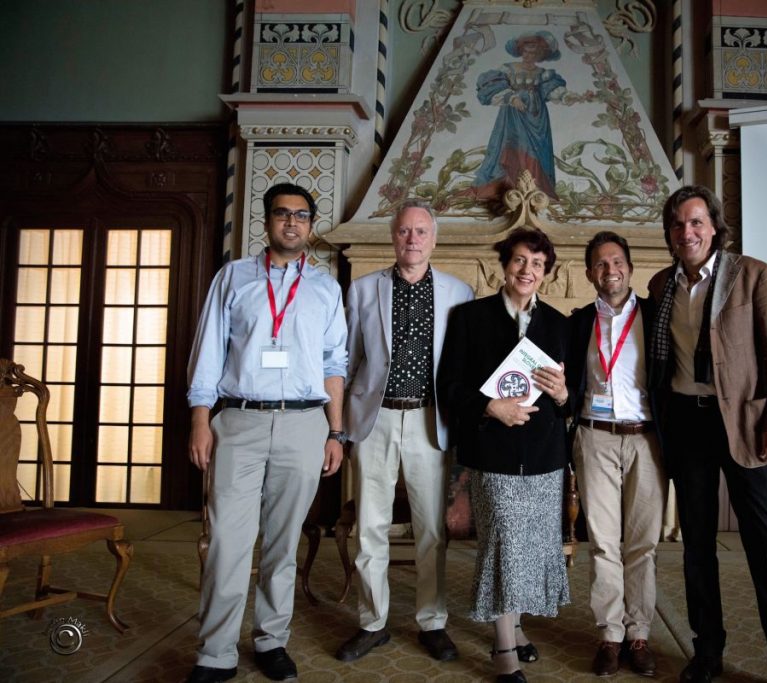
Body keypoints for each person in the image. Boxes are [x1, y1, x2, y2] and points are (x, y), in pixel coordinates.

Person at [185, 182, 348, 683]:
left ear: (311, 225)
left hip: (304, 425)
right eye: (282, 214)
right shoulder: (233, 278)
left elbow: (334, 362)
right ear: (267, 221)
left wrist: (335, 433)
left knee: (282, 544)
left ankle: (271, 640)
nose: (292, 223)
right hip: (238, 422)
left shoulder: (325, 287)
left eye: (301, 216)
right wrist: (200, 419)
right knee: (228, 543)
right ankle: (215, 653)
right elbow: (209, 349)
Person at [647, 185, 767, 683]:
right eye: (677, 224)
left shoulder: (753, 275)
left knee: (766, 545)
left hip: (745, 425)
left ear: (714, 226)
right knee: (697, 546)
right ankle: (707, 652)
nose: (686, 231)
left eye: (696, 222)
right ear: (669, 234)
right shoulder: (659, 286)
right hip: (686, 424)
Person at [335, 198, 474, 663]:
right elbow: (348, 361)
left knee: (431, 527)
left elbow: (463, 367)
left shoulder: (459, 293)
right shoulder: (361, 290)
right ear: (392, 237)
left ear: (433, 239)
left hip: (428, 421)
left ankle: (432, 622)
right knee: (369, 526)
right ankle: (372, 622)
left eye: (420, 232)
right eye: (403, 232)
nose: (411, 239)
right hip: (373, 420)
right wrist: (337, 428)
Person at [437, 227, 571, 683]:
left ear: (546, 272)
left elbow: (571, 399)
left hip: (544, 459)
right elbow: (449, 387)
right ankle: (503, 649)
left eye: (536, 264)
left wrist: (563, 393)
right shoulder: (470, 317)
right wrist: (490, 405)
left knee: (531, 550)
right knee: (504, 547)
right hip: (492, 455)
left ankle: (515, 629)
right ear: (504, 264)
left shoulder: (559, 323)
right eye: (519, 260)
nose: (526, 270)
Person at [565, 231, 666, 677]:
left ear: (630, 266)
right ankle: (610, 635)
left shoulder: (657, 315)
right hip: (595, 437)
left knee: (643, 543)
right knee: (604, 542)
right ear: (590, 273)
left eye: (617, 261)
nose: (611, 270)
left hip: (647, 439)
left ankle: (639, 633)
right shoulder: (576, 322)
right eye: (601, 264)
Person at [472, 31, 581, 201]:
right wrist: (511, 97)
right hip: (513, 115)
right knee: (515, 145)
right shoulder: (508, 69)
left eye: (533, 53)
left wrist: (568, 96)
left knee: (538, 151)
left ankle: (537, 189)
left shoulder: (543, 73)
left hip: (537, 117)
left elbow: (552, 91)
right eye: (526, 51)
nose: (528, 55)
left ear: (539, 54)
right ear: (521, 51)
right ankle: (510, 186)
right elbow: (491, 86)